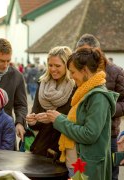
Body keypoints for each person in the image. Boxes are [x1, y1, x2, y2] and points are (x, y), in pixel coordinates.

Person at [46, 47, 119, 179]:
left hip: (86, 169)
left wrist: (59, 121)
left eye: (73, 72)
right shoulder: (86, 91)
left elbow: (89, 134)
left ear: (84, 70)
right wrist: (56, 117)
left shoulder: (98, 97)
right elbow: (79, 122)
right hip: (77, 164)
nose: (72, 77)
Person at [76, 33, 124, 180]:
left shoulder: (116, 72)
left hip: (110, 135)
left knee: (110, 176)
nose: (83, 57)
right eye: (80, 54)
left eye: (86, 53)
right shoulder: (79, 72)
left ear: (97, 51)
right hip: (84, 134)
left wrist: (105, 109)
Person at [25, 46, 75, 159]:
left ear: (67, 66)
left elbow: (76, 121)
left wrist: (55, 119)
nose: (53, 69)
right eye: (50, 65)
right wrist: (32, 121)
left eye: (57, 66)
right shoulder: (42, 84)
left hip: (64, 149)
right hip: (42, 147)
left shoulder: (75, 87)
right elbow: (36, 118)